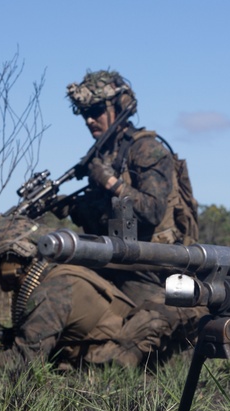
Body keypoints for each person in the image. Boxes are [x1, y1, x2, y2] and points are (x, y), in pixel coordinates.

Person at [55, 69, 203, 338]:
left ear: (120, 106)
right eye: (84, 113)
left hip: (154, 267)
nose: (89, 119)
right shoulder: (106, 154)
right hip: (121, 261)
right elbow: (110, 220)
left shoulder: (146, 149)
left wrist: (110, 182)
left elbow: (151, 209)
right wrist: (74, 208)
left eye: (97, 110)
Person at [0, 215, 174, 369]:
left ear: (14, 261)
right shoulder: (48, 276)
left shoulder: (52, 291)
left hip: (114, 359)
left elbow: (23, 363)